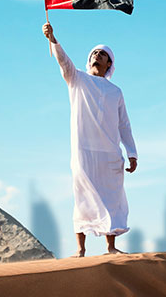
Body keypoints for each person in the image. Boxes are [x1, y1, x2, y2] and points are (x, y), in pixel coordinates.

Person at [42, 22, 138, 256]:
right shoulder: (78, 80)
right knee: (82, 196)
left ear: (109, 64)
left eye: (102, 54)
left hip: (110, 154)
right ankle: (80, 249)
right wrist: (53, 39)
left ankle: (111, 248)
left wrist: (132, 152)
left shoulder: (116, 92)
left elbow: (124, 124)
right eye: (94, 52)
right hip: (83, 151)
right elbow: (64, 62)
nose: (97, 55)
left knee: (113, 198)